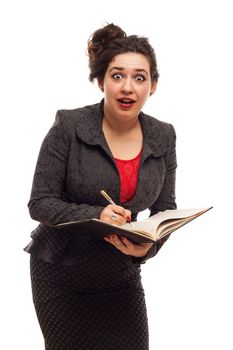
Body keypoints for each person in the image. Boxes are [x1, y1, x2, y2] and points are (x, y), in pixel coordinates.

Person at [24, 23, 177, 350]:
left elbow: (165, 210)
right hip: (60, 274)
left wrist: (148, 247)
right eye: (117, 75)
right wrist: (98, 214)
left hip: (120, 273)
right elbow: (40, 202)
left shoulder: (164, 136)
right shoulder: (69, 125)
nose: (128, 87)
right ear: (101, 81)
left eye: (139, 77)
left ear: (153, 86)